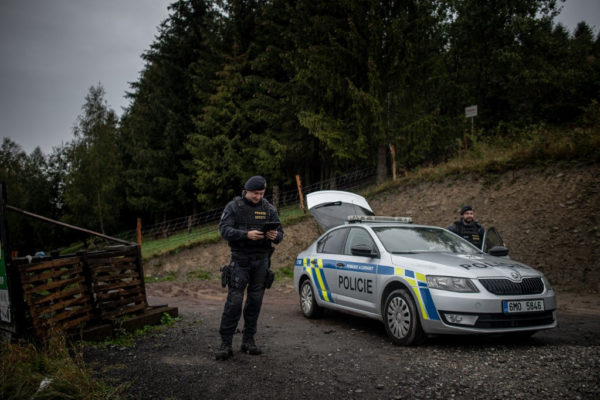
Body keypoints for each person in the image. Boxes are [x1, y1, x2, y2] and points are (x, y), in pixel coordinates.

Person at [214, 175, 283, 361]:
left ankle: (248, 340)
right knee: (234, 303)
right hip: (240, 261)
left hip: (261, 262)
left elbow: (280, 234)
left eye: (261, 193)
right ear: (246, 191)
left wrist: (275, 235)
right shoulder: (234, 207)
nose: (258, 197)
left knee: (254, 302)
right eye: (255, 193)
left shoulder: (268, 208)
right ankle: (225, 343)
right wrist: (246, 235)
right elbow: (224, 230)